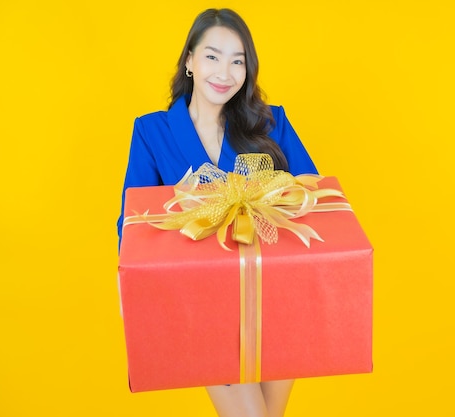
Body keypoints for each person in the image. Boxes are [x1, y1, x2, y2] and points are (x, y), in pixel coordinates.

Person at [117, 8, 317, 417]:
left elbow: (312, 195)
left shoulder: (270, 122)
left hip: (277, 296)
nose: (224, 71)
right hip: (202, 303)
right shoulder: (152, 131)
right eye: (212, 56)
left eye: (237, 60)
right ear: (189, 61)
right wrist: (129, 287)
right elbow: (132, 223)